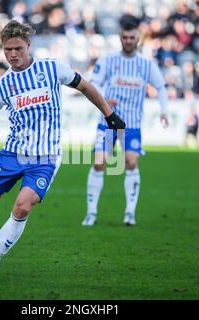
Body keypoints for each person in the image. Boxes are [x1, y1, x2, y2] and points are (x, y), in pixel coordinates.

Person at [0, 20, 125, 261]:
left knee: (22, 206)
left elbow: (85, 87)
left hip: (45, 158)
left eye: (18, 49)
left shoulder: (52, 68)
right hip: (12, 155)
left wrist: (110, 115)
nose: (13, 54)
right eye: (7, 49)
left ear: (28, 45)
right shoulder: (3, 85)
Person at [81, 21, 169, 227]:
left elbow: (161, 87)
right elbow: (92, 86)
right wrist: (103, 100)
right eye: (125, 37)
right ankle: (91, 213)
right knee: (99, 162)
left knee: (130, 162)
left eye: (132, 37)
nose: (128, 41)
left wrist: (164, 111)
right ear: (120, 38)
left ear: (138, 39)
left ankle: (130, 212)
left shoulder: (147, 64)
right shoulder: (108, 60)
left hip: (132, 124)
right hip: (108, 122)